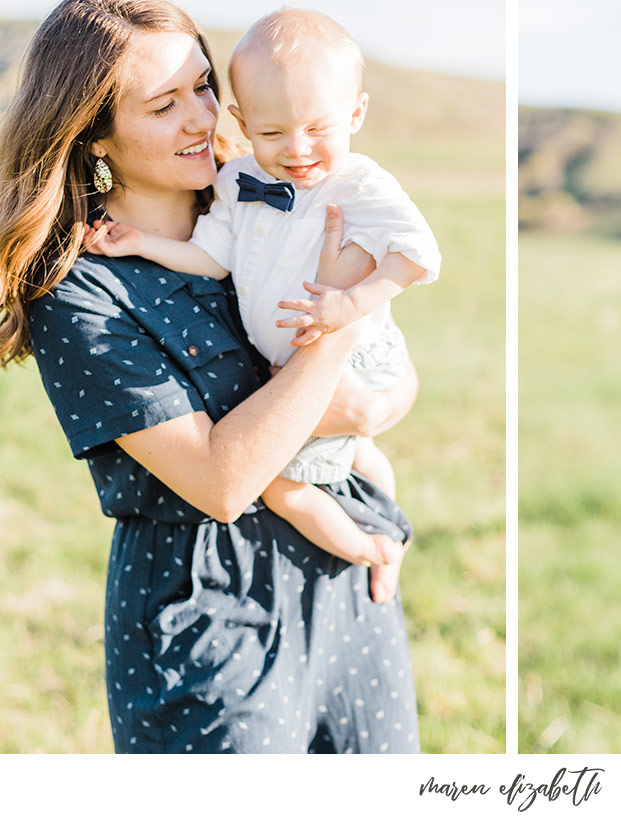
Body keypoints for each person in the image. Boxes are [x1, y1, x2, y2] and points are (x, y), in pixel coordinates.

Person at [0, 0, 419, 753]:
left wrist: (371, 404)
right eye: (164, 105)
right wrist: (334, 335)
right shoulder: (80, 290)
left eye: (203, 87)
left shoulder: (270, 202)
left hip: (347, 578)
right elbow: (221, 481)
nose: (200, 118)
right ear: (94, 133)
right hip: (205, 609)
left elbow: (388, 384)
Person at [84, 8, 441, 606]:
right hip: (308, 356)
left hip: (355, 351)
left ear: (355, 114)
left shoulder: (359, 186)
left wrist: (349, 304)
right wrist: (142, 244)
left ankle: (376, 550)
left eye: (316, 129)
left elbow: (418, 255)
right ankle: (382, 524)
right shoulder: (238, 182)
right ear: (244, 123)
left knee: (280, 485)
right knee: (355, 451)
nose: (298, 150)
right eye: (273, 134)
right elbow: (212, 257)